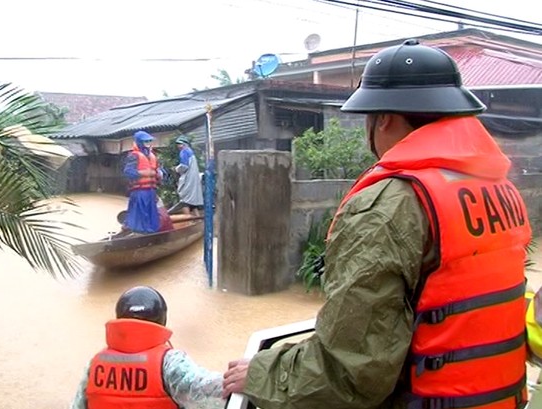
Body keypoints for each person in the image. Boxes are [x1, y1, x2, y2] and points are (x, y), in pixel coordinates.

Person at [223, 39, 532, 409]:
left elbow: (351, 374)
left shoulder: (388, 205)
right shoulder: (499, 188)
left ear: (383, 118)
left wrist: (262, 373)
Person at [70, 286, 224, 409]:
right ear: (162, 319)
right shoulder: (170, 362)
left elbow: (77, 405)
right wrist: (245, 377)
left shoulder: (96, 363)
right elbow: (207, 392)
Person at [123, 130, 161, 234]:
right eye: (145, 141)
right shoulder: (134, 155)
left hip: (151, 190)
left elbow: (158, 171)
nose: (148, 143)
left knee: (151, 214)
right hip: (139, 191)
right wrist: (142, 173)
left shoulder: (152, 156)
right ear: (139, 142)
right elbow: (128, 172)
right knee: (139, 214)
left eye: (149, 141)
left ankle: (151, 232)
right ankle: (137, 232)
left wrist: (159, 173)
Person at [170, 135, 204, 216]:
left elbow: (184, 167)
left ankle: (188, 220)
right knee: (192, 202)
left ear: (185, 144)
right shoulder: (190, 152)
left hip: (188, 179)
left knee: (184, 201)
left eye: (180, 144)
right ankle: (198, 220)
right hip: (193, 179)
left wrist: (176, 169)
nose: (178, 146)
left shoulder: (184, 152)